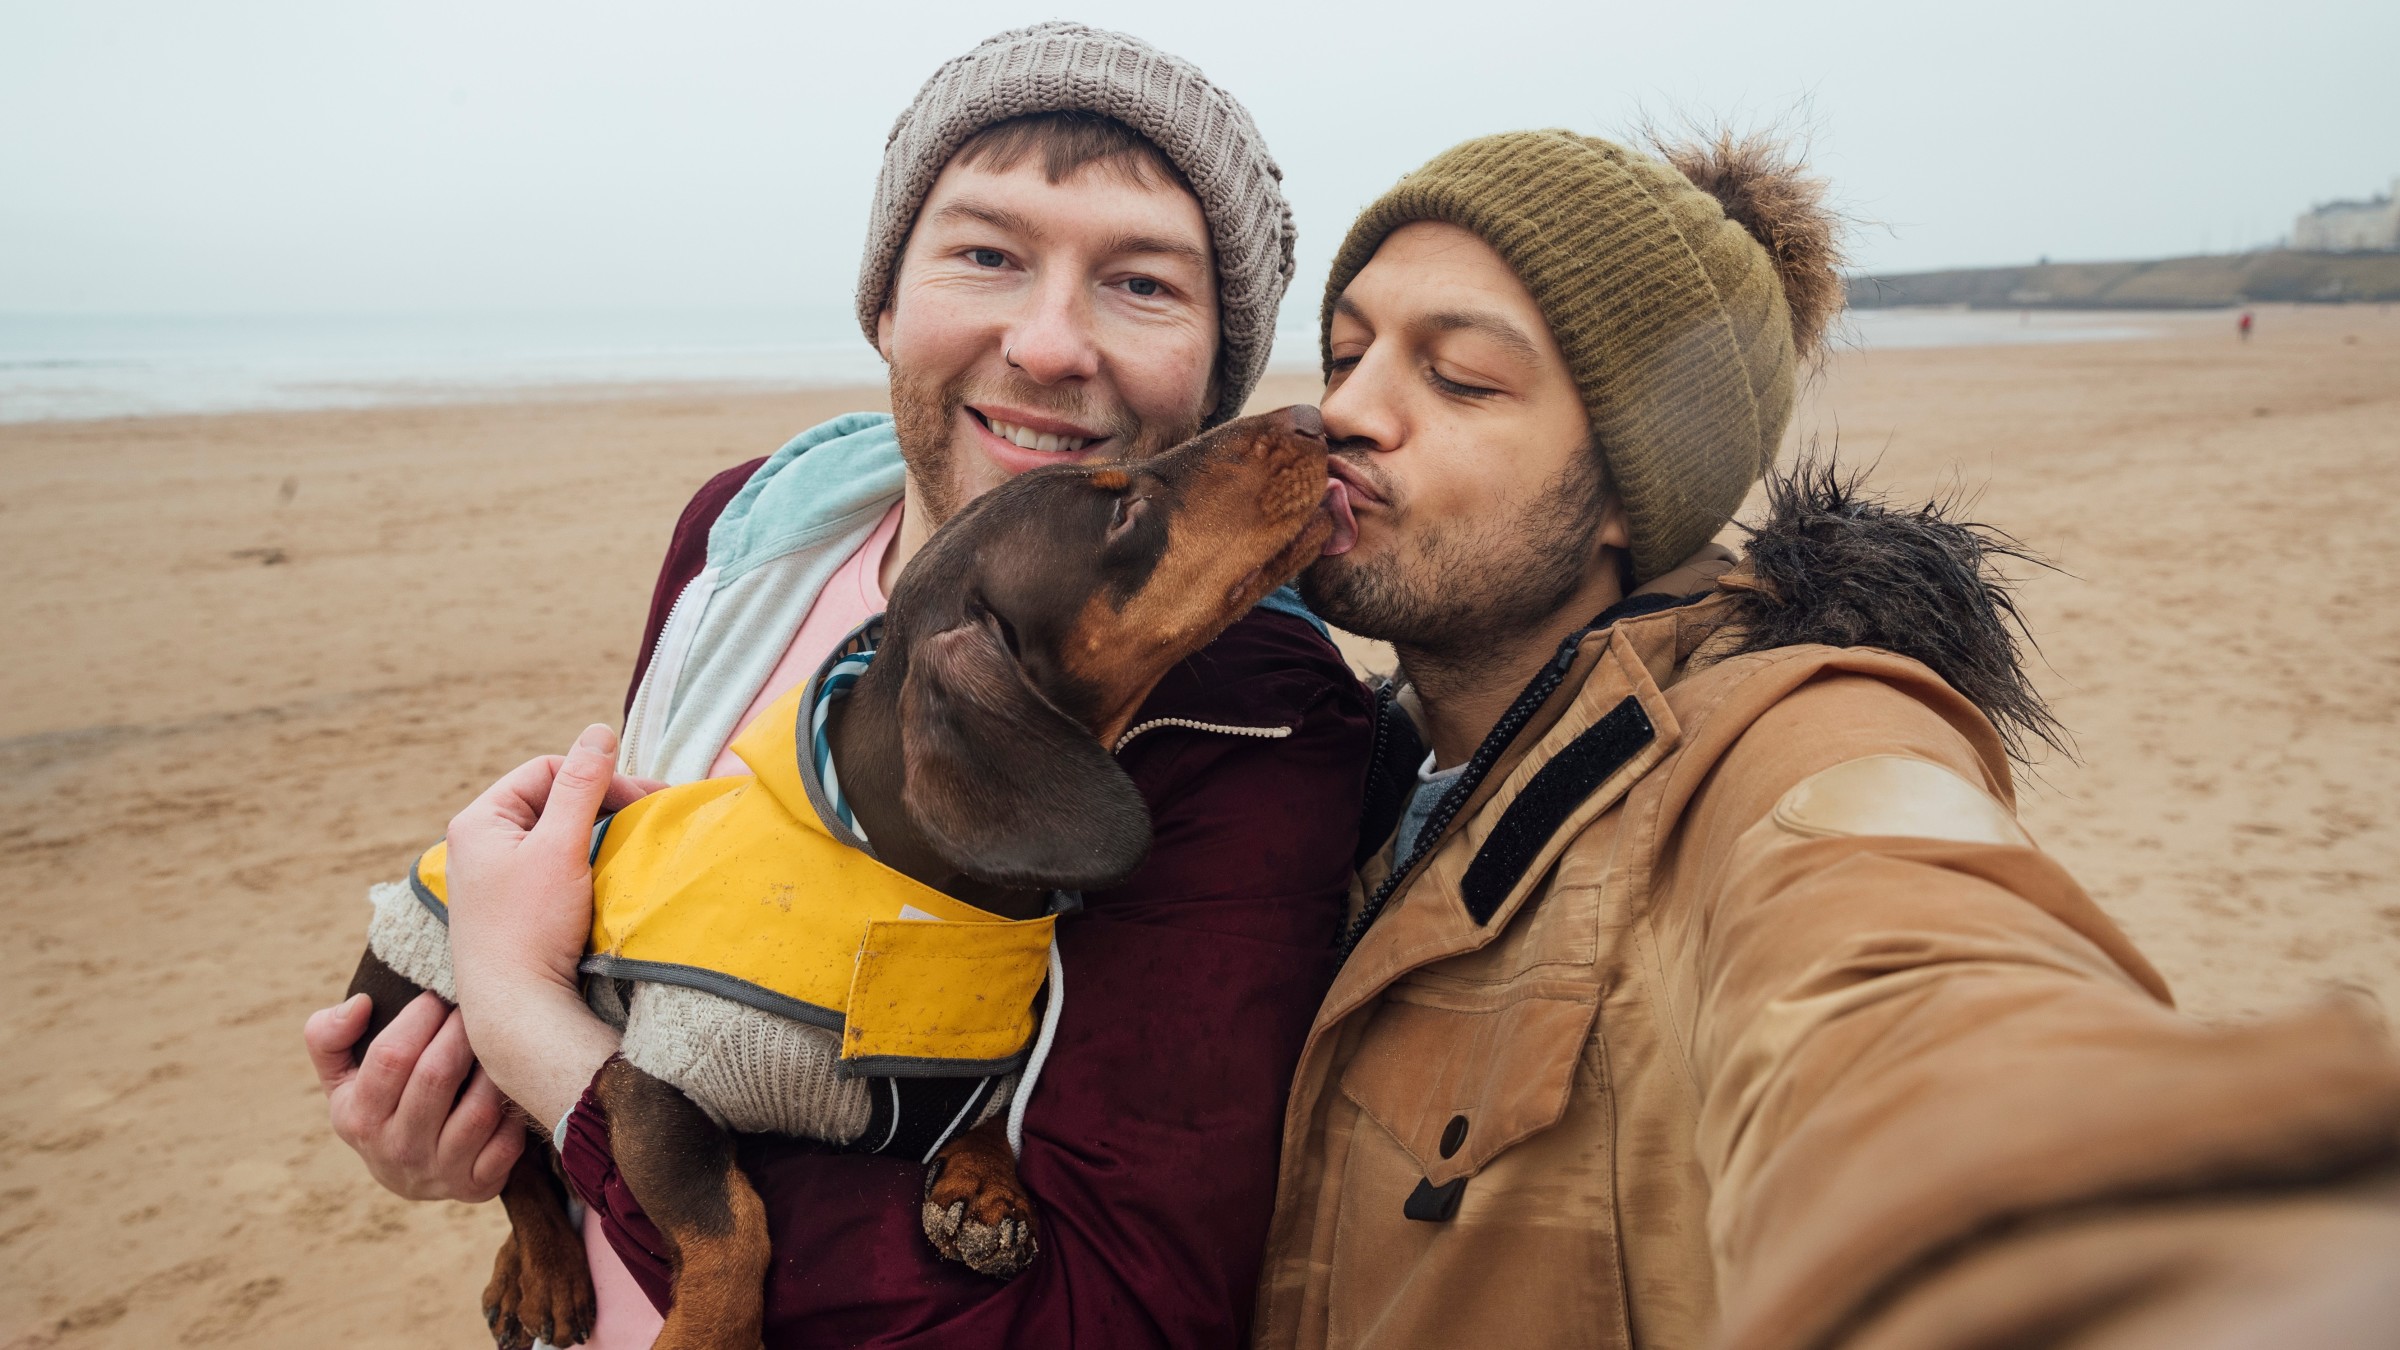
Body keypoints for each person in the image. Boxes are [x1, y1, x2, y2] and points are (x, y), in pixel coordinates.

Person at [302, 24, 1371, 1349]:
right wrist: (468, 1136)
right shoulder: (749, 533)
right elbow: (654, 971)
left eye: (1142, 283)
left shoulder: (1257, 717)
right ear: (884, 296)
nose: (1046, 343)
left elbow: (1106, 1316)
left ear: (1217, 367)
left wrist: (527, 1027)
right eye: (985, 252)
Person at [1252, 130, 2400, 1348]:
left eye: (1463, 378)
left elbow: (1912, 991)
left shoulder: (1777, 752)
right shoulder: (1327, 773)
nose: (1342, 412)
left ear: (1635, 491)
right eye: (1345, 352)